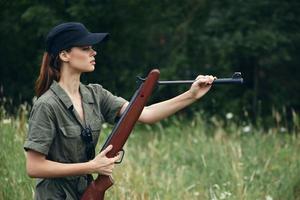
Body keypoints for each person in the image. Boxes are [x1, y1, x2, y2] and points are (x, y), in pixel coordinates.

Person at [24, 22, 215, 199]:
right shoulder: (47, 105)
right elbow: (34, 167)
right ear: (64, 55)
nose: (93, 52)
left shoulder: (95, 94)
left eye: (92, 48)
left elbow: (146, 114)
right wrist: (91, 166)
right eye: (85, 48)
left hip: (86, 193)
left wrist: (191, 95)